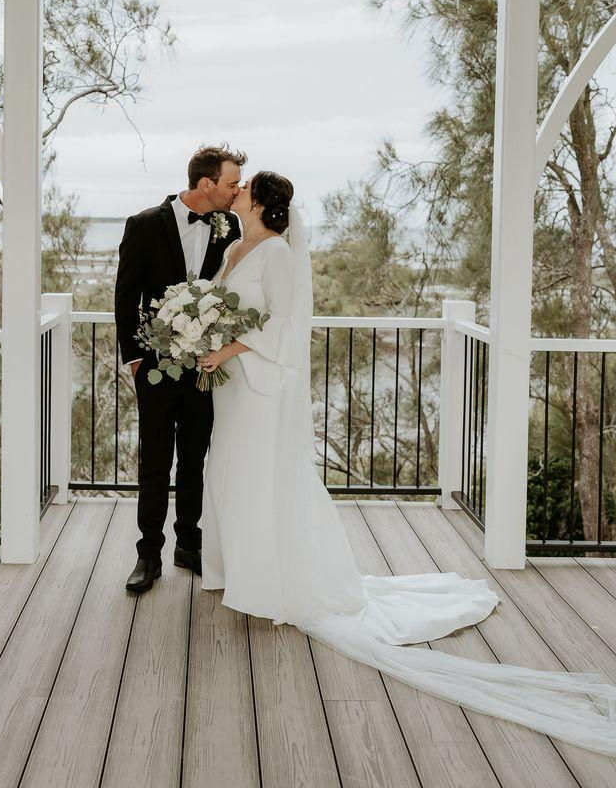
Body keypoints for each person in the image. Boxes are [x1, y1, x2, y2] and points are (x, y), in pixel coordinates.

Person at [195, 170, 616, 758]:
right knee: (230, 478)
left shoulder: (280, 256)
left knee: (260, 481)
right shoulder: (236, 246)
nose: (234, 192)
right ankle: (236, 568)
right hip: (232, 387)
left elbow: (283, 327)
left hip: (260, 388)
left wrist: (225, 349)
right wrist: (202, 339)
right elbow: (226, 307)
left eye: (244, 188)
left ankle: (271, 581)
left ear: (261, 201)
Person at [114, 144, 244, 592]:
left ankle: (189, 543)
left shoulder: (231, 228)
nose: (237, 191)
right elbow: (125, 296)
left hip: (204, 367)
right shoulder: (144, 224)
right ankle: (148, 554)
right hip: (154, 366)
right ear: (207, 184)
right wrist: (134, 358)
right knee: (154, 461)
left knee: (194, 458)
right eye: (232, 183)